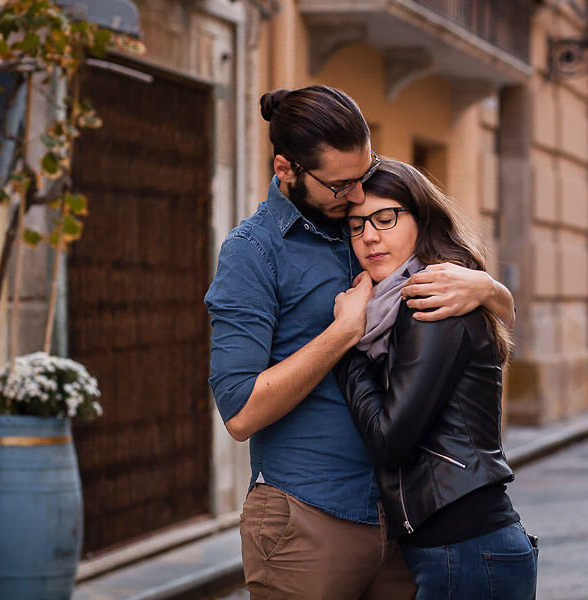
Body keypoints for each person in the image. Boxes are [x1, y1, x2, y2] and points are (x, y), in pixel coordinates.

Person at [204, 85, 517, 600]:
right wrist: (342, 333)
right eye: (341, 185)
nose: (357, 197)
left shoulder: (372, 214)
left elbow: (467, 326)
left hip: (403, 523)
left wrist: (491, 290)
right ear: (286, 170)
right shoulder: (253, 253)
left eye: (364, 174)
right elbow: (240, 413)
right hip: (309, 519)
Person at [336, 160, 538, 600]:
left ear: (421, 217)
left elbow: (390, 441)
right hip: (457, 549)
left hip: (465, 547)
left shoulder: (432, 305)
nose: (369, 236)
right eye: (355, 226)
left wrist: (345, 347)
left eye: (385, 218)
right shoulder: (403, 304)